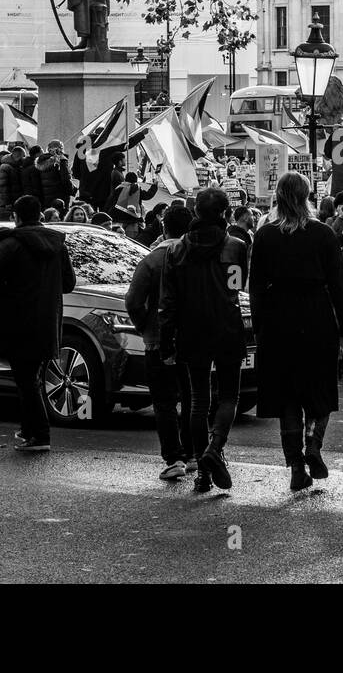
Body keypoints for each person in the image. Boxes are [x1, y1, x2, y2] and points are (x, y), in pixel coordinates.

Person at [250, 172, 343, 491]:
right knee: (320, 390)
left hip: (278, 322)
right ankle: (313, 443)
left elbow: (255, 289)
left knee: (288, 399)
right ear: (307, 195)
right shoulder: (323, 234)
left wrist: (259, 328)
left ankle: (296, 465)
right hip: (316, 318)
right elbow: (339, 284)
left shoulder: (265, 236)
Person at [0, 195, 76, 452]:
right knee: (31, 377)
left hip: (17, 322)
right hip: (47, 321)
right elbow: (68, 283)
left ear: (16, 216)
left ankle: (39, 434)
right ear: (40, 215)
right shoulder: (58, 245)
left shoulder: (11, 245)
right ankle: (28, 430)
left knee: (25, 379)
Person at [159, 188, 248, 492]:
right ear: (224, 214)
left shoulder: (176, 251)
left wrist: (167, 340)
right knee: (228, 396)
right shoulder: (235, 247)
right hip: (226, 327)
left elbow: (167, 302)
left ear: (196, 212)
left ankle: (202, 470)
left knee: (198, 400)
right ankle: (215, 448)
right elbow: (237, 287)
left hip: (191, 331)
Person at [126, 231, 194, 480]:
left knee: (164, 402)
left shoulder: (151, 261)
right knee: (192, 397)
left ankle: (174, 457)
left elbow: (133, 301)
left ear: (163, 230)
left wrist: (144, 326)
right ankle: (194, 451)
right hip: (192, 339)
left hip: (157, 339)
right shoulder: (196, 256)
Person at [38, 139, 74, 210]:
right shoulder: (61, 161)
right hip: (60, 196)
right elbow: (65, 179)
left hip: (46, 197)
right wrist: (72, 189)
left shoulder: (41, 161)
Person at [0, 146, 27, 220]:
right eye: (23, 157)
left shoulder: (14, 166)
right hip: (4, 204)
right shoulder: (5, 167)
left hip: (8, 202)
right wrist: (7, 202)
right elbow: (2, 186)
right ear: (18, 156)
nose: (24, 159)